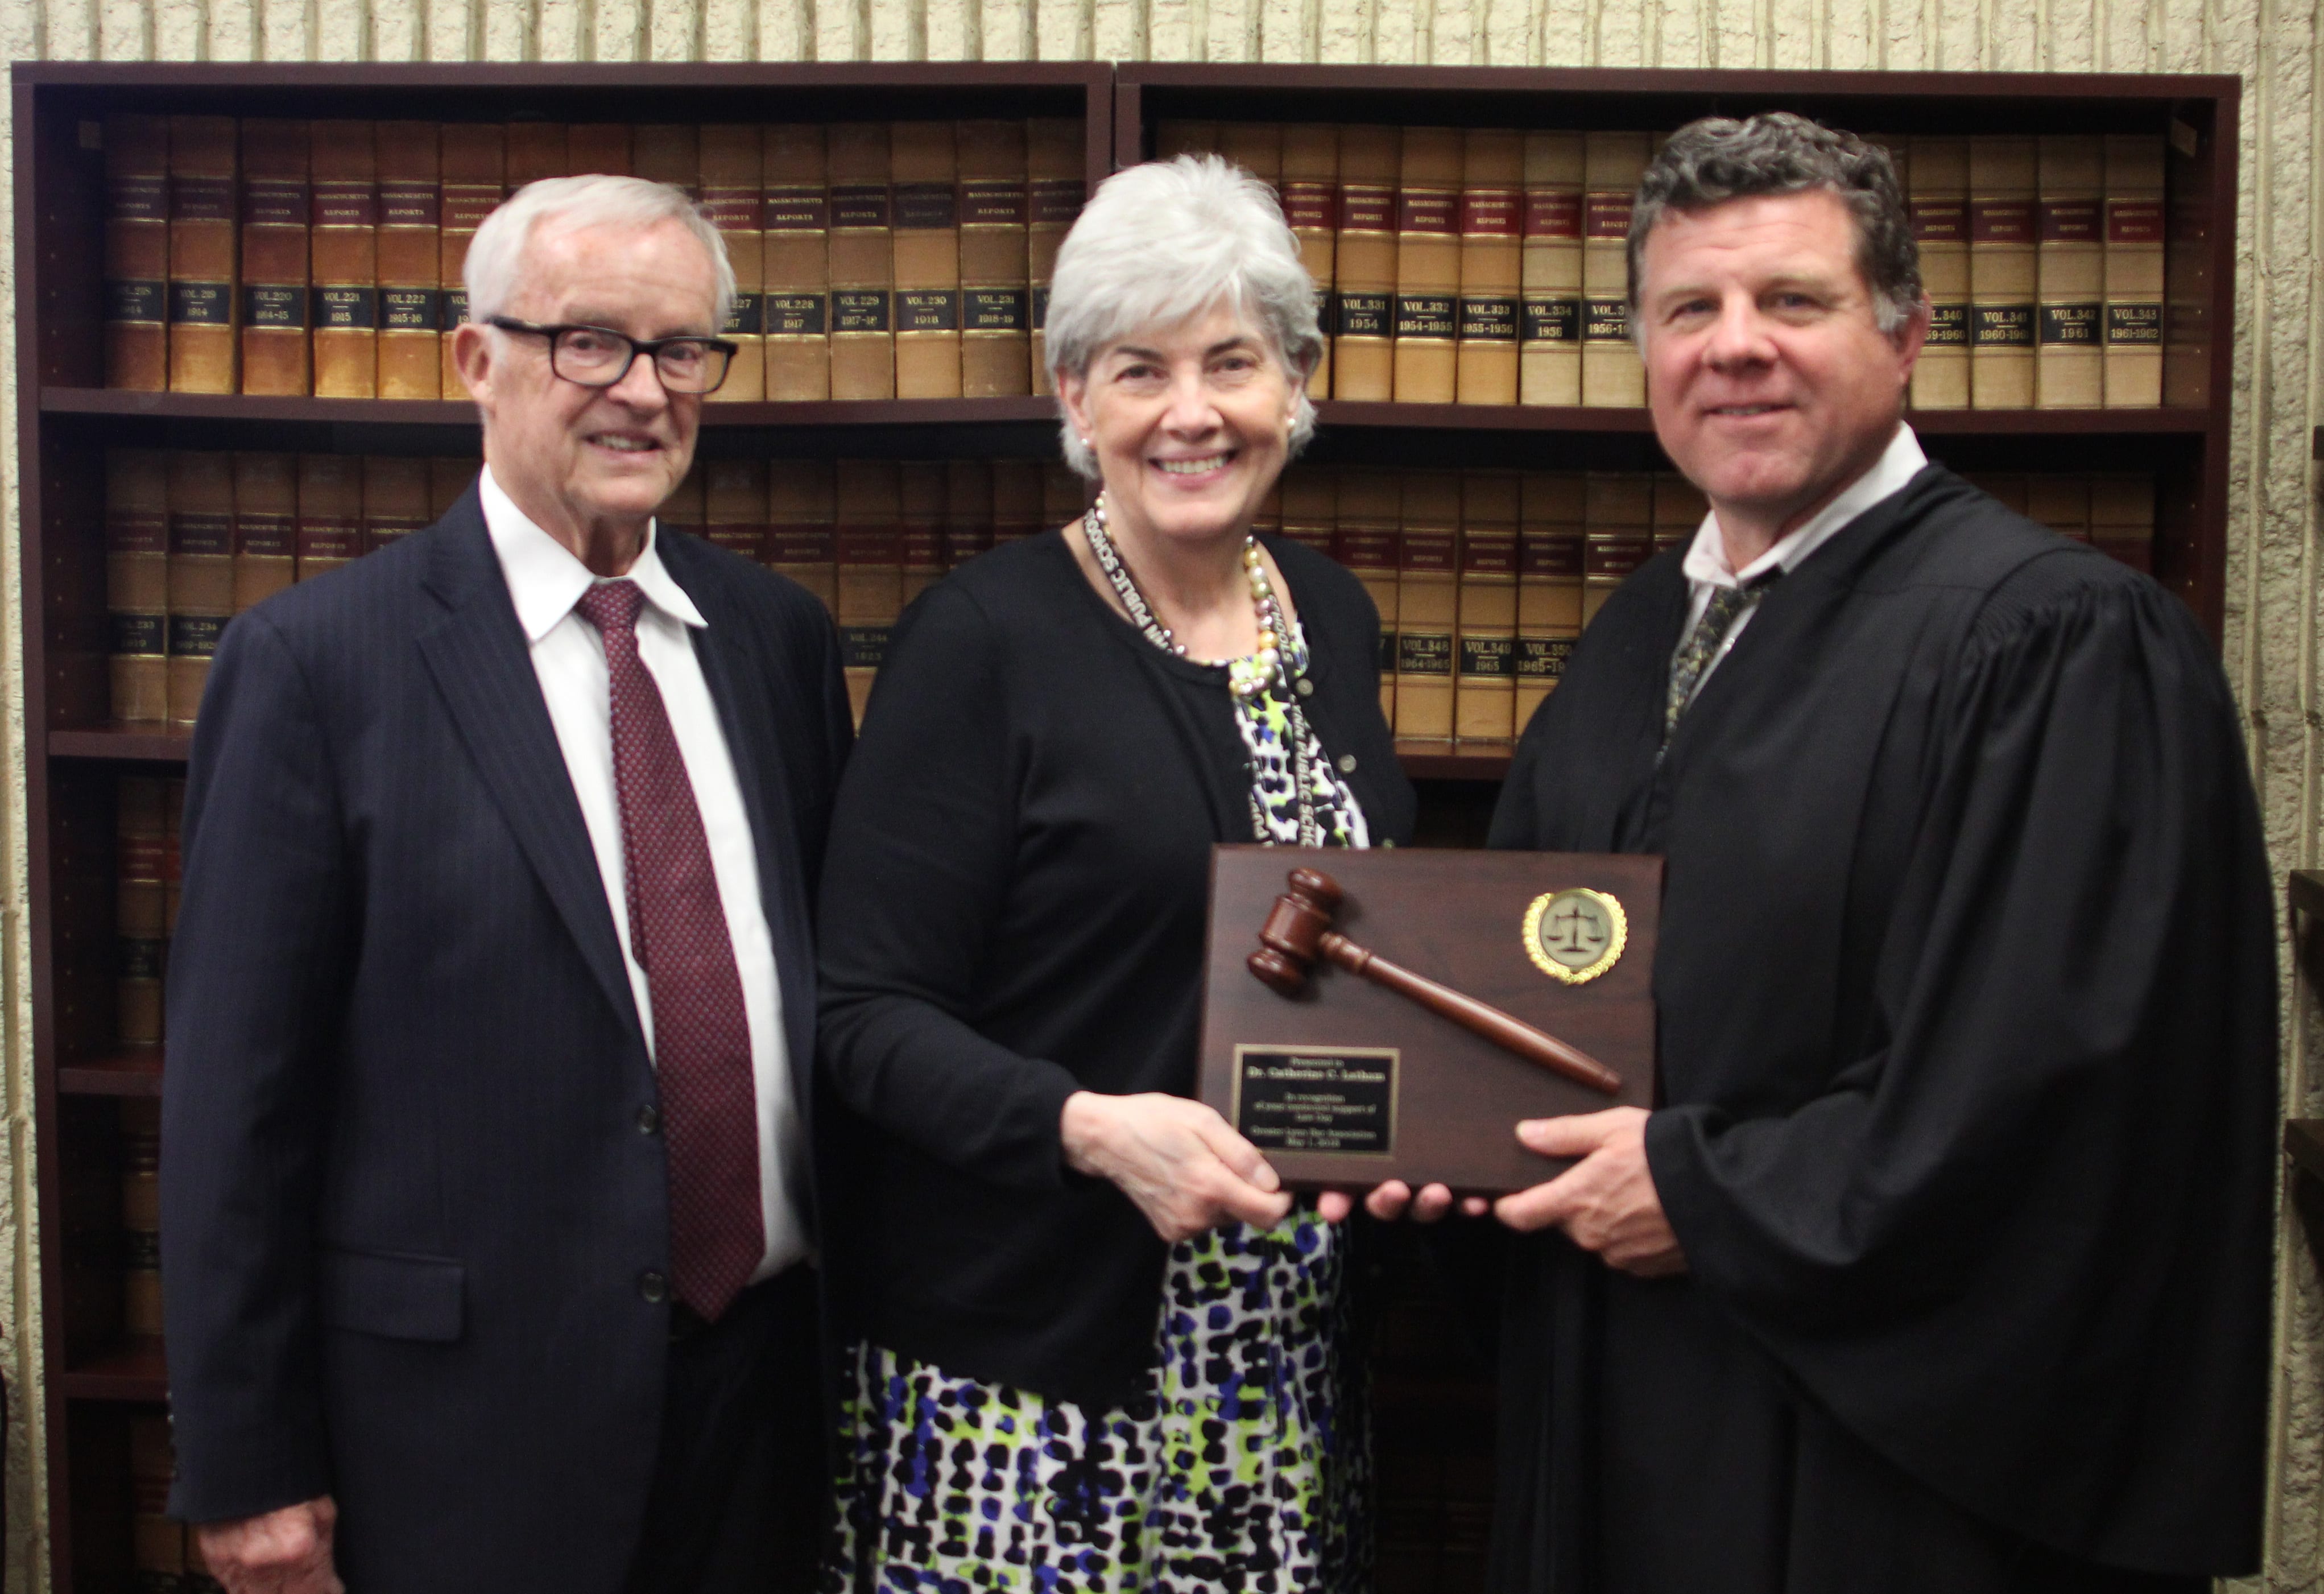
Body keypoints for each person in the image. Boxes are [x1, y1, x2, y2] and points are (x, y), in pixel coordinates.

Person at [1481, 113, 2275, 1593]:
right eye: (1687, 310)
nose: (1733, 348)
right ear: (1641, 353)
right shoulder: (1628, 643)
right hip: (1623, 1411)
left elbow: (2061, 1092)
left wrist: (1707, 1196)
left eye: (1791, 301)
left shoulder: (2051, 641)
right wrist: (1436, 1145)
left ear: (1903, 335)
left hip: (1881, 1485)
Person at [159, 175, 851, 1594]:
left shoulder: (774, 641)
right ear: (476, 359)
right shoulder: (316, 665)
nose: (644, 392)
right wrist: (250, 1465)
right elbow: (235, 1102)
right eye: (588, 342)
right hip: (465, 1435)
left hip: (770, 1401)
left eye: (681, 350)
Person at [814, 155, 1423, 1594]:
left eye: (1233, 361)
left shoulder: (1329, 616)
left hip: (1281, 1373)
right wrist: (1091, 1129)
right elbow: (861, 1017)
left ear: (1298, 383)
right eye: (1139, 370)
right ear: (1076, 399)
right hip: (1029, 1396)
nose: (1193, 412)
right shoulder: (982, 640)